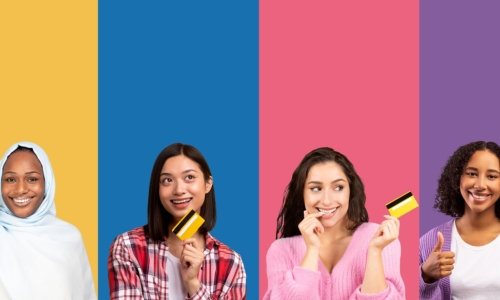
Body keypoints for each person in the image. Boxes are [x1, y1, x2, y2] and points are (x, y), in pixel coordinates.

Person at [108, 143, 246, 299]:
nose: (179, 190)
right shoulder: (128, 247)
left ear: (208, 184)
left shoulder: (230, 262)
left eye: (189, 177)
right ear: (157, 188)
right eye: (167, 180)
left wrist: (193, 284)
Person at [264, 147, 405, 300]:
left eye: (338, 187)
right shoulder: (281, 250)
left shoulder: (380, 238)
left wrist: (375, 252)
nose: (327, 200)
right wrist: (311, 249)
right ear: (302, 194)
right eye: (315, 188)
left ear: (350, 191)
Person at [0, 142, 96, 300]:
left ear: (47, 184)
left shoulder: (69, 238)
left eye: (31, 179)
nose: (20, 189)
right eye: (10, 179)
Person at [420, 141, 500, 299]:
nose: (480, 185)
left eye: (492, 176)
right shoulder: (431, 241)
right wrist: (425, 275)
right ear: (457, 178)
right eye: (472, 174)